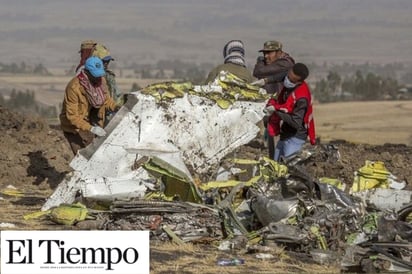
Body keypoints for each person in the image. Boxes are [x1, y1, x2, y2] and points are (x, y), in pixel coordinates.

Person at [60, 56, 118, 155]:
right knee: (83, 157)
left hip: (90, 120)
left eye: (99, 74)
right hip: (74, 127)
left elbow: (106, 101)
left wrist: (117, 106)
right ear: (87, 72)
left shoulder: (101, 81)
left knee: (95, 154)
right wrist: (91, 129)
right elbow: (72, 116)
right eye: (95, 75)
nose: (98, 78)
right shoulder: (74, 88)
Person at [251, 40, 295, 159]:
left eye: (269, 53)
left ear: (279, 52)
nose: (266, 56)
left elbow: (258, 71)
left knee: (285, 147)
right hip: (273, 111)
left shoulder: (285, 63)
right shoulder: (272, 65)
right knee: (273, 148)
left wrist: (259, 61)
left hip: (285, 112)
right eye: (264, 53)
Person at [263, 63, 316, 162]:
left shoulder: (301, 98)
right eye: (288, 76)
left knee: (288, 168)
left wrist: (276, 110)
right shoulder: (289, 79)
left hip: (295, 137)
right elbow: (281, 76)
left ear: (299, 82)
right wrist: (264, 81)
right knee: (276, 164)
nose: (287, 80)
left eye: (291, 80)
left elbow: (296, 123)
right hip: (285, 134)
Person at [91, 44, 124, 124]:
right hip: (95, 119)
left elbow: (117, 95)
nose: (106, 63)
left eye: (108, 61)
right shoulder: (89, 78)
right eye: (104, 61)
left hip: (110, 116)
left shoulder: (109, 76)